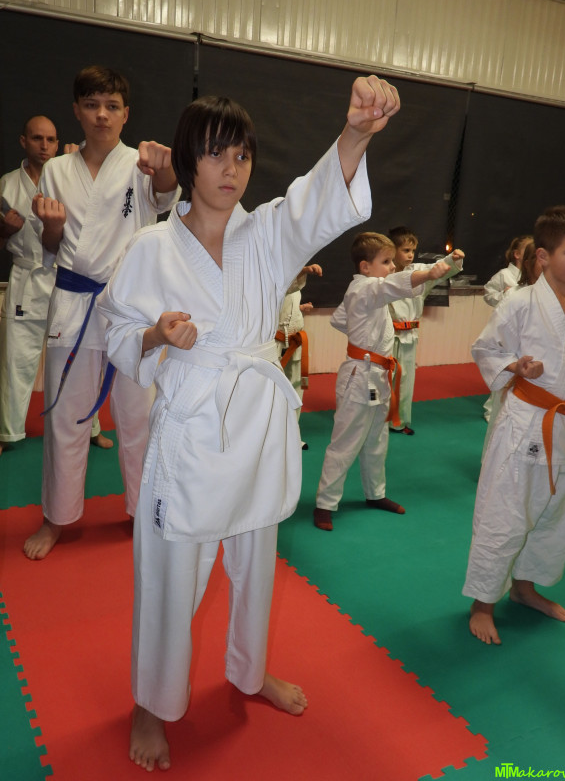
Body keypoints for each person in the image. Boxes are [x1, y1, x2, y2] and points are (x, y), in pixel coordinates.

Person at [97, 74, 401, 772]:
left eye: (241, 155)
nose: (231, 169)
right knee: (172, 574)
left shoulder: (265, 234)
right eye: (215, 154)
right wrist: (155, 336)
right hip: (193, 431)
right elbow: (115, 331)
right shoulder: (150, 248)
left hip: (258, 425)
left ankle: (248, 669)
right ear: (187, 159)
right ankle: (151, 702)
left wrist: (355, 133)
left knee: (257, 564)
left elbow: (317, 201)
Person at [23, 66, 179, 561]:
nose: (102, 115)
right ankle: (56, 517)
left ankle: (141, 510)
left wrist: (166, 167)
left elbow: (165, 199)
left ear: (126, 114)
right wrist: (51, 225)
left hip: (131, 308)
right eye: (91, 105)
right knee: (65, 418)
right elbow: (53, 246)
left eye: (112, 106)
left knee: (138, 417)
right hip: (73, 303)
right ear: (77, 110)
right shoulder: (55, 170)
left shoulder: (142, 164)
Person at [464, 205, 565, 646]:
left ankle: (524, 588)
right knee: (506, 514)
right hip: (526, 426)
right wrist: (515, 365)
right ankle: (483, 604)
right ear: (542, 256)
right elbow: (486, 349)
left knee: (555, 516)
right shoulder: (519, 302)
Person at [312, 232, 450, 531]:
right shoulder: (364, 288)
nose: (392, 266)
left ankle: (375, 493)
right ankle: (324, 503)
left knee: (376, 439)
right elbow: (391, 285)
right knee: (345, 442)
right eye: (386, 261)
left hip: (377, 373)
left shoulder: (366, 293)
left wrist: (360, 334)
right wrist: (428, 273)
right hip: (360, 375)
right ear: (365, 266)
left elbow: (339, 319)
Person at [0, 117, 113, 457]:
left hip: (67, 282)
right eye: (37, 138)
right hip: (27, 281)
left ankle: (90, 427)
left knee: (81, 359)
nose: (45, 145)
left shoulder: (69, 174)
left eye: (51, 139)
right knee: (16, 362)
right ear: (24, 141)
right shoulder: (7, 184)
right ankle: (8, 432)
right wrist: (5, 231)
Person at [387, 226, 464, 434]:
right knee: (385, 379)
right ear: (392, 250)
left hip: (410, 335)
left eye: (413, 250)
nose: (410, 255)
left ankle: (399, 421)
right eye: (405, 250)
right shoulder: (385, 274)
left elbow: (437, 269)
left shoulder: (418, 272)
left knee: (406, 380)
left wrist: (452, 259)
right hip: (389, 335)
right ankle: (380, 420)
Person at [481, 235, 533, 421]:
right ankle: (491, 410)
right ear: (517, 254)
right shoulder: (504, 274)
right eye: (528, 250)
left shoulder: (534, 280)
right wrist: (503, 297)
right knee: (504, 369)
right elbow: (488, 293)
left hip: (523, 330)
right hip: (505, 327)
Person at [275, 263, 322, 448]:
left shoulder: (294, 272)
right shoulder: (272, 268)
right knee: (273, 389)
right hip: (275, 342)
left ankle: (292, 434)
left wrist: (299, 309)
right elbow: (282, 288)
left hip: (295, 339)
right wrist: (302, 270)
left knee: (295, 388)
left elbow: (287, 299)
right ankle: (272, 437)